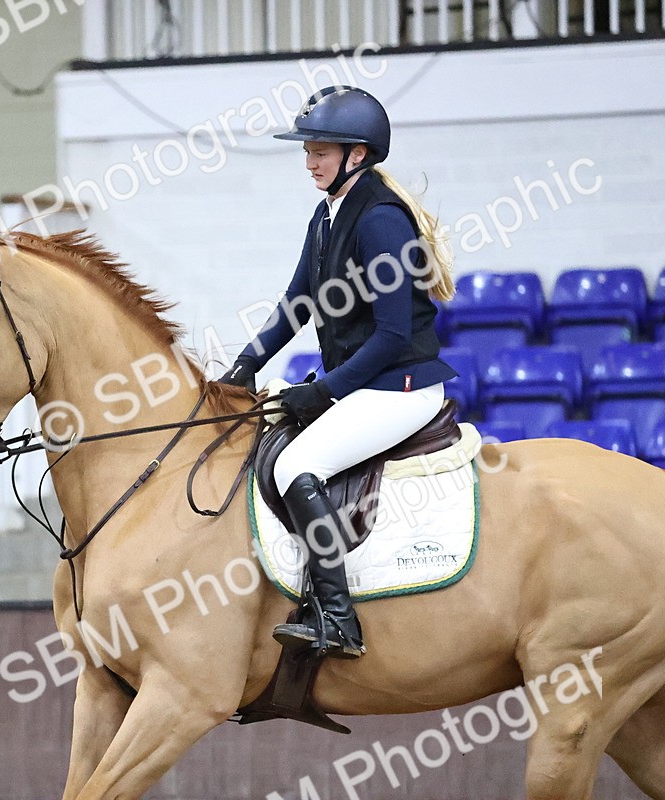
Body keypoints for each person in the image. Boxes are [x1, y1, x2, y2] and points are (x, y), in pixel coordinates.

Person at [219, 86, 458, 660]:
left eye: (319, 151)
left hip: (402, 387)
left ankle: (338, 619)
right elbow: (297, 303)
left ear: (357, 154)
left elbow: (393, 335)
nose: (309, 162)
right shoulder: (328, 213)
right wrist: (246, 363)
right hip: (365, 384)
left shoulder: (380, 220)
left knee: (297, 465)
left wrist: (324, 392)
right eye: (307, 151)